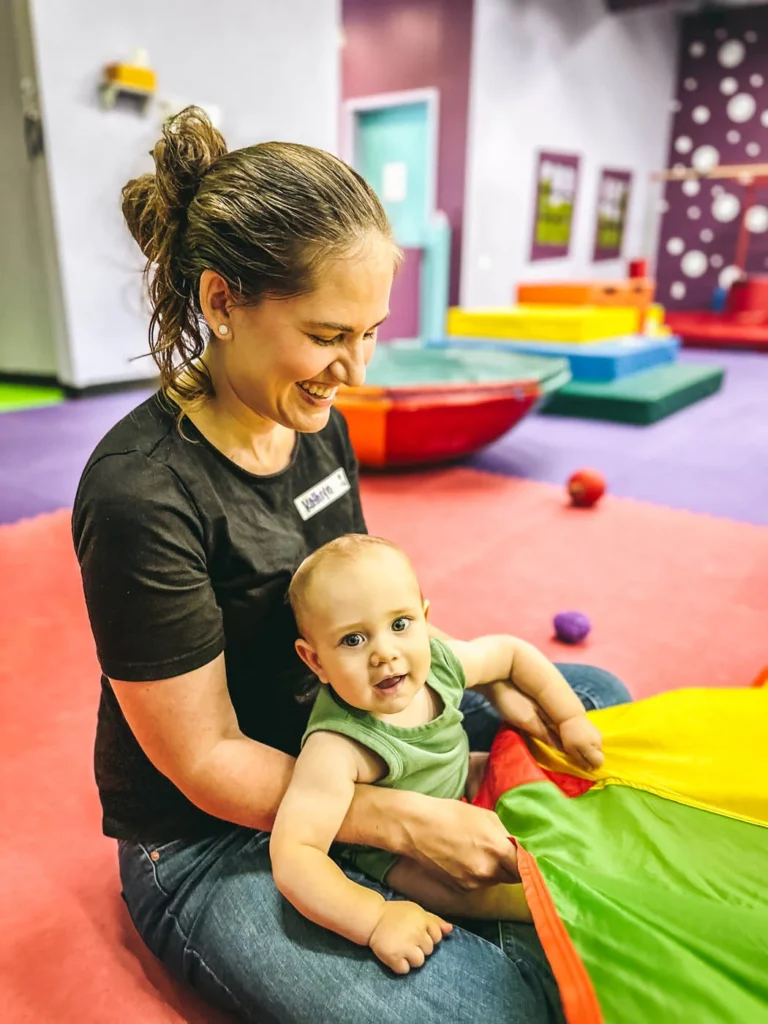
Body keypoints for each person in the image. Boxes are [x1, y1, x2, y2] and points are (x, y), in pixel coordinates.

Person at [72, 107, 631, 1024]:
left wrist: (452, 684)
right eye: (331, 334)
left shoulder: (314, 426)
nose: (356, 369)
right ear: (221, 303)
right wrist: (399, 821)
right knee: (473, 1014)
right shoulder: (143, 494)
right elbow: (204, 759)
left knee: (592, 690)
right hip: (218, 830)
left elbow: (363, 601)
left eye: (369, 332)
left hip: (349, 724)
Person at [272, 534, 604, 974]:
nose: (384, 653)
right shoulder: (337, 745)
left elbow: (510, 653)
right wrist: (374, 918)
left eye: (400, 624)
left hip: (463, 779)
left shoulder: (441, 665)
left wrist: (569, 719)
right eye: (353, 640)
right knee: (494, 887)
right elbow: (295, 853)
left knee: (563, 771)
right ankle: (561, 907)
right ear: (315, 662)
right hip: (406, 859)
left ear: (425, 619)